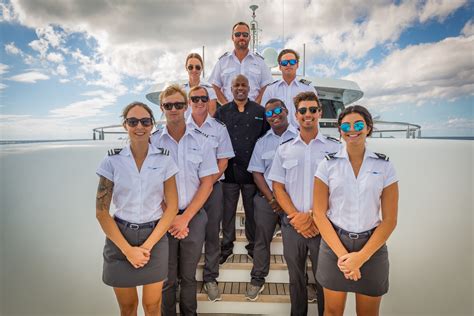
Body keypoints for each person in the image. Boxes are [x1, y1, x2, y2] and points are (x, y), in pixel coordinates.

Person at [313, 105, 399, 316]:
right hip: (334, 245)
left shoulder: (385, 166)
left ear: (368, 128)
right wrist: (345, 257)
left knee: (368, 314)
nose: (353, 129)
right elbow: (318, 213)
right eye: (346, 125)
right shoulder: (327, 165)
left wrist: (361, 257)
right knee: (332, 312)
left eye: (359, 124)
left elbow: (389, 220)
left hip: (372, 246)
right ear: (340, 131)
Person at [95, 101, 179, 316]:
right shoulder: (112, 160)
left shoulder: (165, 159)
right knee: (128, 307)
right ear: (125, 125)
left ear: (152, 125)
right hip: (120, 238)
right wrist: (128, 250)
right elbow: (102, 212)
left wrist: (147, 247)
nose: (139, 126)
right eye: (133, 121)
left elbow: (172, 207)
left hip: (155, 237)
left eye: (145, 121)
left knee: (152, 306)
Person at [268, 91, 341, 316]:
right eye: (302, 110)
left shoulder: (335, 148)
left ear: (319, 113)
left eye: (312, 110)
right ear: (296, 115)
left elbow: (340, 188)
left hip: (323, 226)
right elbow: (277, 187)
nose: (307, 114)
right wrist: (297, 217)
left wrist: (313, 216)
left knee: (325, 280)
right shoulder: (285, 149)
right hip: (293, 226)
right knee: (295, 279)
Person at [150, 85, 219, 316]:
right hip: (162, 219)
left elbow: (207, 183)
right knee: (167, 279)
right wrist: (171, 218)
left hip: (194, 217)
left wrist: (184, 218)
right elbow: (151, 185)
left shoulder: (202, 141)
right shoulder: (153, 143)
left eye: (178, 105)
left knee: (189, 277)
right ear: (162, 108)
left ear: (186, 106)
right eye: (168, 105)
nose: (173, 109)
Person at [245, 98, 298, 301]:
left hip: (293, 201)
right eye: (269, 113)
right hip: (267, 200)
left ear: (286, 111)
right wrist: (272, 198)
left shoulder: (300, 138)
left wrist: (284, 201)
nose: (274, 115)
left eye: (278, 110)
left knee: (296, 244)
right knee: (261, 240)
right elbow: (257, 173)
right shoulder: (262, 142)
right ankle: (257, 278)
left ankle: (300, 281)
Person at [186, 85, 235, 301]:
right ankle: (182, 277)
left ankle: (210, 278)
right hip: (185, 190)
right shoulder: (179, 127)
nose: (199, 102)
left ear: (208, 101)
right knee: (184, 232)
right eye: (194, 99)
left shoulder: (219, 128)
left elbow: (223, 162)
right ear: (189, 102)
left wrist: (206, 184)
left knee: (212, 233)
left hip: (213, 188)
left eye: (203, 99)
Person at [214, 74, 269, 264]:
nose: (240, 88)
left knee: (252, 213)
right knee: (227, 213)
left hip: (252, 172)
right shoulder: (222, 112)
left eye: (243, 85)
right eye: (236, 85)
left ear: (249, 88)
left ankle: (253, 246)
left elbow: (266, 139)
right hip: (228, 171)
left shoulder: (260, 111)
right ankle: (227, 246)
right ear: (231, 89)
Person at [209, 21, 273, 105]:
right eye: (238, 34)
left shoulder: (259, 62)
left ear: (249, 38)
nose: (241, 37)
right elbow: (214, 86)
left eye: (245, 35)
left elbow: (267, 86)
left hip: (253, 113)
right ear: (232, 37)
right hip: (229, 114)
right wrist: (226, 105)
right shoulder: (222, 62)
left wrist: (255, 105)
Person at [261, 48, 317, 128]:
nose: (288, 65)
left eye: (292, 62)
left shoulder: (307, 88)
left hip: (301, 135)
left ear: (297, 65)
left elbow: (314, 113)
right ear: (280, 67)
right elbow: (264, 113)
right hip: (279, 135)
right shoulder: (271, 89)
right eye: (284, 63)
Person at [183, 53, 218, 117]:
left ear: (202, 68)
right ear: (186, 68)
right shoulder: (181, 91)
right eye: (190, 67)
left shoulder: (209, 89)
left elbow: (212, 114)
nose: (194, 70)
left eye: (197, 67)